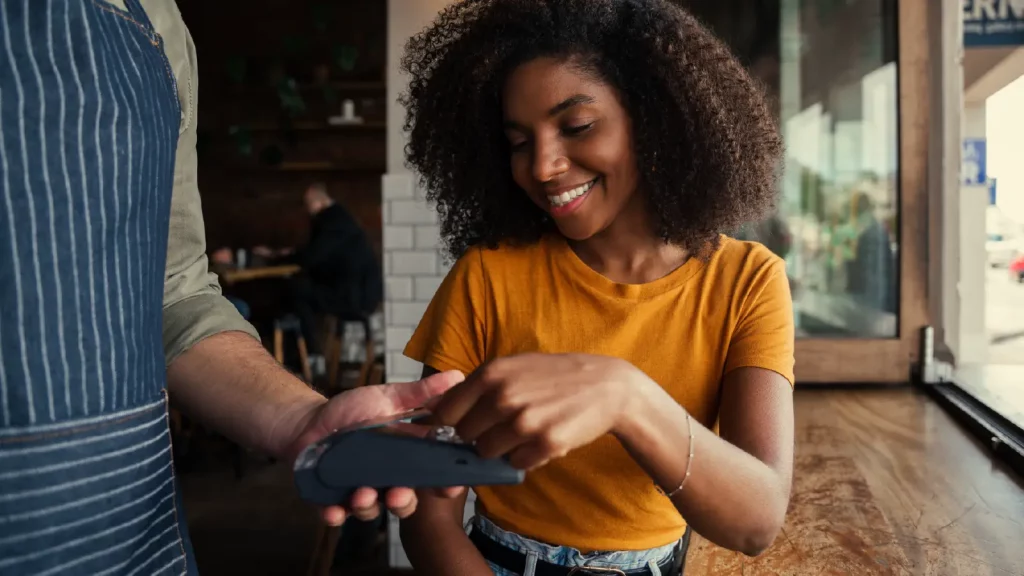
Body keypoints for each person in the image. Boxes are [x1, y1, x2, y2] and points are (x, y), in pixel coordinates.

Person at [0, 2, 455, 574]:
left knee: (300, 300)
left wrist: (299, 420)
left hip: (132, 544)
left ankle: (310, 348)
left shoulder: (155, 19)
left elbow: (175, 296)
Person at [396, 1, 796, 575]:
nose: (542, 166)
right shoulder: (487, 277)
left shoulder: (747, 281)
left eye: (576, 126)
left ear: (654, 117)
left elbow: (756, 522)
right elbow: (429, 515)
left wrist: (626, 397)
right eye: (518, 142)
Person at [257, 183, 383, 368]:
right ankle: (301, 356)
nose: (307, 210)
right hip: (361, 295)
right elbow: (320, 256)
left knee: (294, 292)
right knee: (296, 291)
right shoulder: (342, 219)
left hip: (353, 298)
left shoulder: (332, 221)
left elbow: (312, 257)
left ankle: (310, 356)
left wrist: (278, 257)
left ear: (317, 202)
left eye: (308, 204)